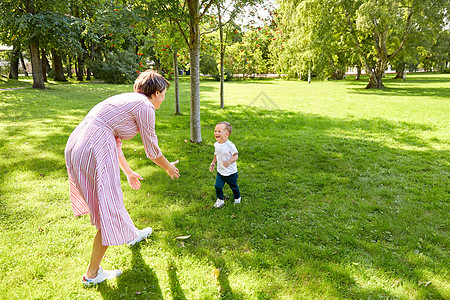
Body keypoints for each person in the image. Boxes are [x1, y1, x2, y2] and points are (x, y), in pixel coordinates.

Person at [64, 70, 180, 286]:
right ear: (156, 93)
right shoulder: (145, 106)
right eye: (164, 93)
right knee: (108, 208)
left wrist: (128, 171)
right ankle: (91, 274)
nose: (164, 98)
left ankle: (131, 234)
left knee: (110, 201)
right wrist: (168, 168)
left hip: (78, 143)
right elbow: (152, 150)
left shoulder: (129, 100)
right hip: (94, 147)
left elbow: (114, 139)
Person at [209, 121, 241, 208]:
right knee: (218, 186)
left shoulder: (230, 145)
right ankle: (220, 200)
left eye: (219, 131)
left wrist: (229, 162)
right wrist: (213, 162)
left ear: (227, 135)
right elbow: (216, 154)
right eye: (215, 131)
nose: (216, 133)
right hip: (220, 171)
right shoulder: (216, 144)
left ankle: (237, 198)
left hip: (231, 172)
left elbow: (236, 156)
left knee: (233, 187)